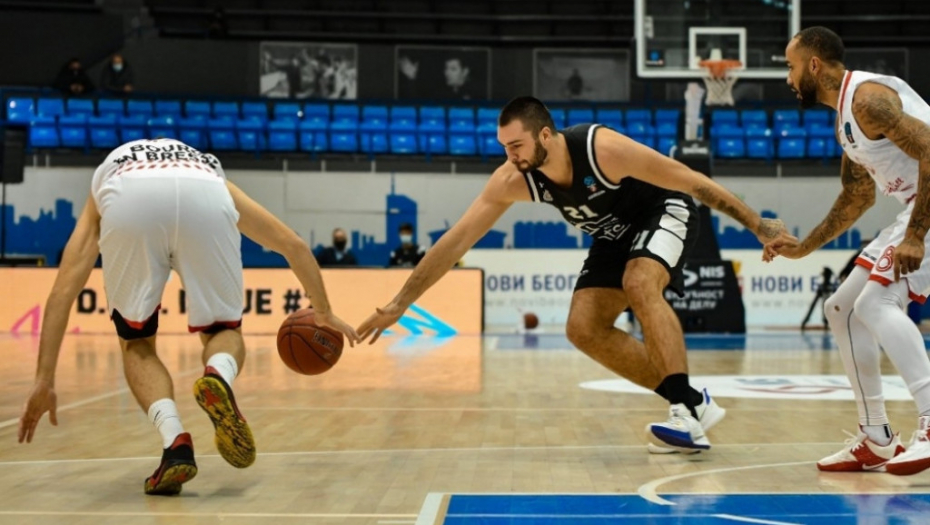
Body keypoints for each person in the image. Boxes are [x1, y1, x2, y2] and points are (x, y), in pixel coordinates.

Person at [358, 96, 794, 452]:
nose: (510, 156)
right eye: (504, 147)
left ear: (545, 135)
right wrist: (400, 303)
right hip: (612, 236)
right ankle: (693, 403)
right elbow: (456, 240)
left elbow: (689, 179)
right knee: (582, 328)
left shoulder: (601, 148)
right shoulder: (513, 179)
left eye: (516, 145)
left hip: (665, 210)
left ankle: (683, 411)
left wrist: (759, 225)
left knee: (640, 282)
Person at [17, 138, 359, 495]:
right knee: (222, 331)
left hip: (130, 200)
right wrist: (323, 311)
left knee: (136, 341)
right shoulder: (207, 170)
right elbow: (293, 245)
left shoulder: (108, 173)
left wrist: (44, 378)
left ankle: (175, 443)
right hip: (205, 200)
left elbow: (63, 291)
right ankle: (218, 374)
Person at [767, 26, 930, 475]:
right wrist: (803, 248)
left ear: (813, 65)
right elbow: (857, 197)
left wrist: (915, 235)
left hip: (924, 210)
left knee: (875, 303)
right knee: (841, 309)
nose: (788, 77)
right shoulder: (846, 118)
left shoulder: (868, 100)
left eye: (790, 66)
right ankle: (877, 437)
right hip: (916, 207)